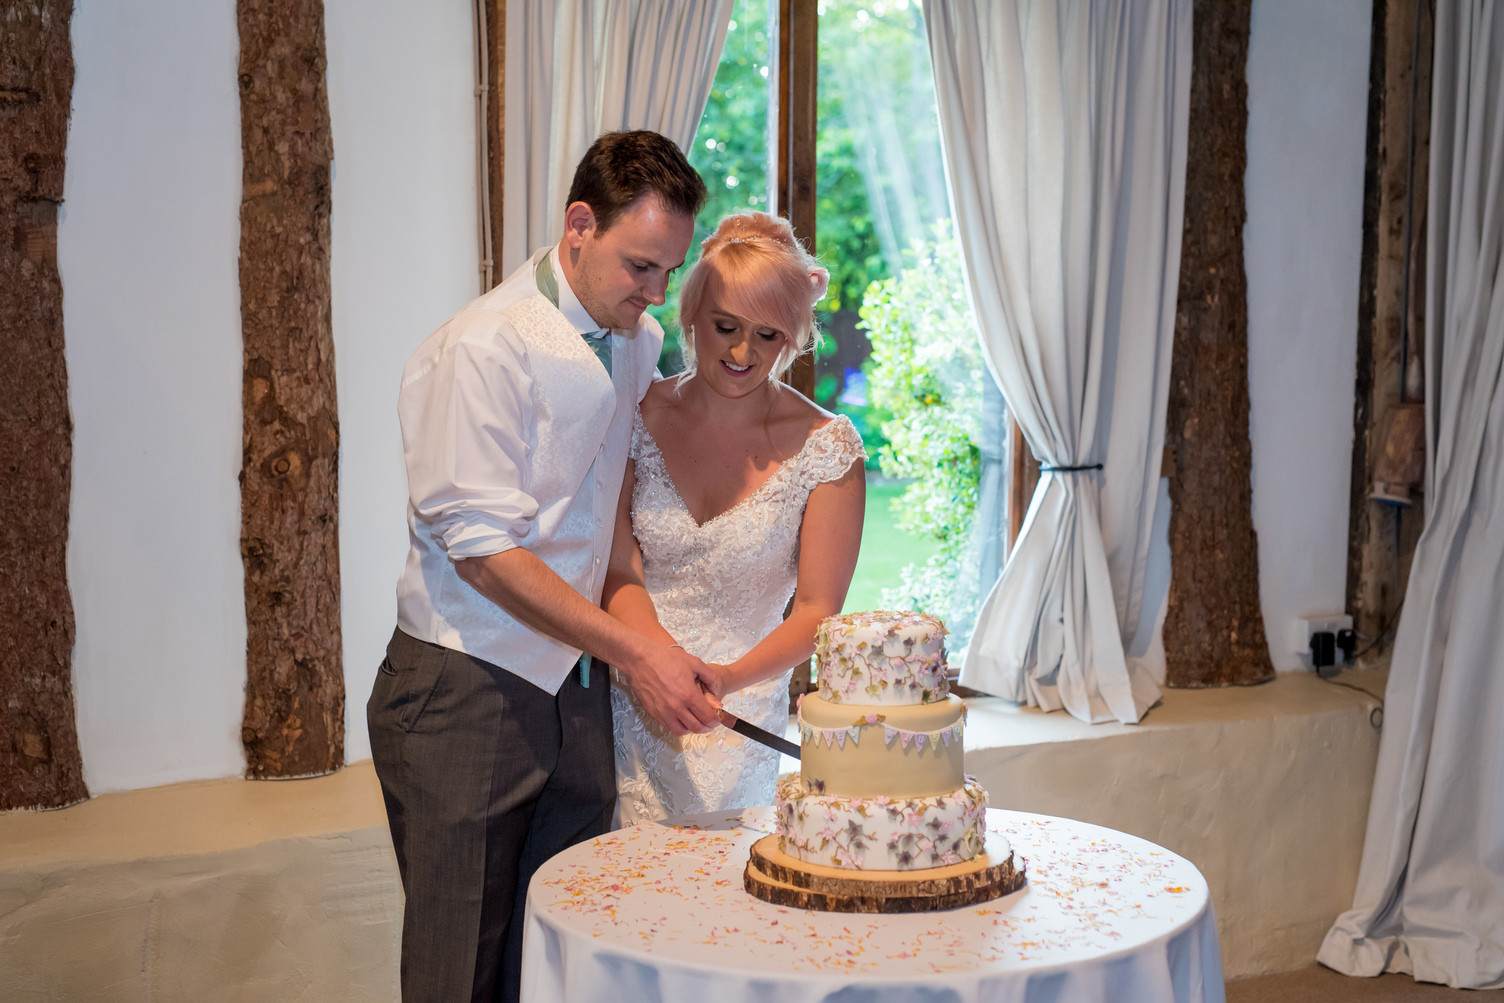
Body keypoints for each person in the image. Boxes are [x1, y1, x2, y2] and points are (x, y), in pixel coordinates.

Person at [367, 130, 719, 1003]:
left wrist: (643, 642)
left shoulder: (630, 338)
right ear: (577, 227)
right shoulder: (482, 348)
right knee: (460, 974)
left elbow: (602, 526)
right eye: (642, 265)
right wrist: (637, 655)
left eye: (670, 272)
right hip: (463, 684)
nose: (657, 293)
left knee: (562, 954)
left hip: (577, 688)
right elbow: (484, 554)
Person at [604, 212, 867, 825]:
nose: (744, 352)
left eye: (769, 336)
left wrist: (727, 677)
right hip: (630, 700)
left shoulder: (828, 448)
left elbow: (817, 611)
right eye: (726, 327)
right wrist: (657, 662)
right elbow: (617, 566)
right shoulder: (634, 415)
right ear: (691, 312)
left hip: (741, 711)